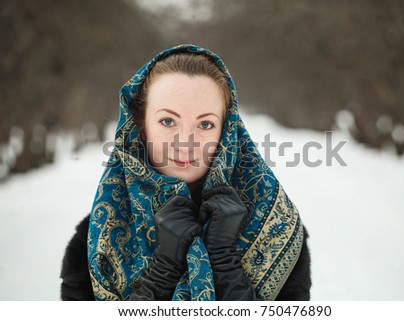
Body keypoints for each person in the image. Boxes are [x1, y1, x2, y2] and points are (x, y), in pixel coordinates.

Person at [60, 44, 311, 301]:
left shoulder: (276, 225)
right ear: (140, 125)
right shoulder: (96, 238)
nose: (186, 142)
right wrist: (162, 274)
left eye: (205, 124)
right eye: (168, 121)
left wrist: (226, 266)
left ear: (226, 131)